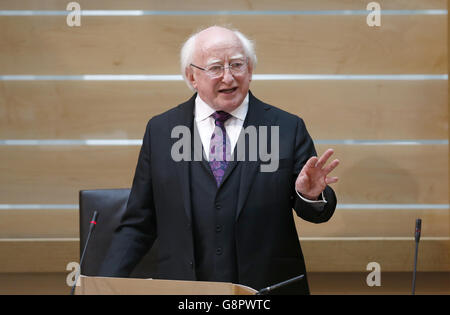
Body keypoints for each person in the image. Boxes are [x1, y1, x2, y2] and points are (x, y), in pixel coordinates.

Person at [99, 26, 339, 294]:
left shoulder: (286, 127)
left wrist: (309, 196)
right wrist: (97, 287)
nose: (228, 76)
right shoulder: (162, 131)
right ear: (192, 76)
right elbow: (139, 223)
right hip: (184, 290)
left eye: (237, 64)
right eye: (215, 68)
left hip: (265, 289)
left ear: (249, 70)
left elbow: (317, 212)